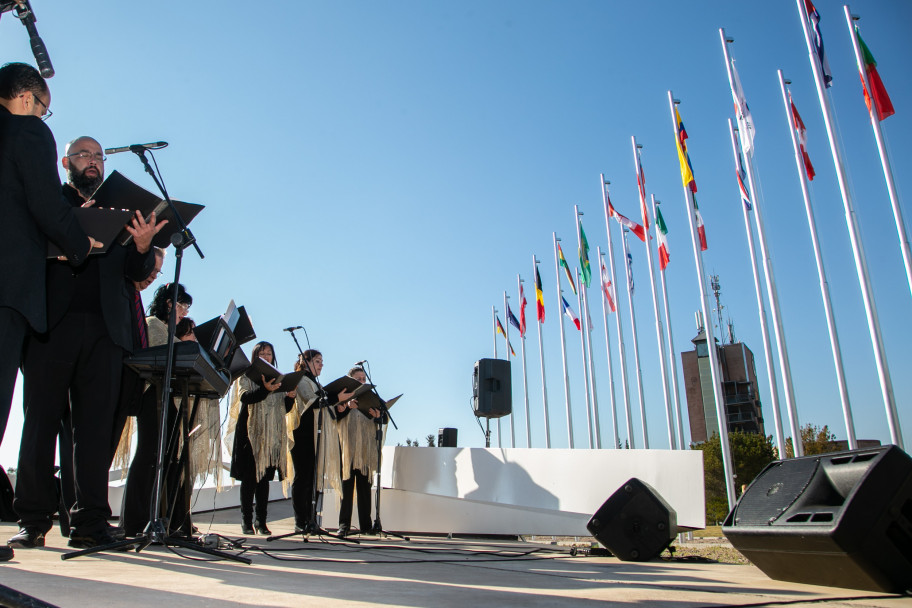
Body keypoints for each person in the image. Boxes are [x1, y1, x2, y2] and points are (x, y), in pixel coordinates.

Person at [9, 132, 164, 551]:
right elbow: (25, 247)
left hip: (106, 332)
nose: (93, 161)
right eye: (83, 155)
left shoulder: (121, 211)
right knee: (40, 425)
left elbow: (135, 271)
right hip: (51, 327)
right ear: (66, 164)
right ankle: (32, 520)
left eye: (98, 155)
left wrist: (144, 246)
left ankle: (90, 523)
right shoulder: (48, 200)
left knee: (95, 432)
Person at [0, 62, 98, 455]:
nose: (43, 115)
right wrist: (81, 245)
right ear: (27, 99)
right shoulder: (30, 132)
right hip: (7, 288)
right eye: (43, 107)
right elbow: (45, 203)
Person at [120, 282, 192, 536]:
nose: (185, 311)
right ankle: (134, 521)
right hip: (153, 398)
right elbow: (162, 355)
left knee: (168, 460)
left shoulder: (170, 330)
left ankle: (164, 519)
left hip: (170, 398)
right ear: (170, 303)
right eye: (183, 305)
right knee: (149, 456)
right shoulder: (153, 324)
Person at [227, 342, 296, 535]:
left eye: (269, 354)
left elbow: (284, 409)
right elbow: (246, 398)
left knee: (264, 480)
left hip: (271, 435)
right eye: (262, 353)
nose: (266, 357)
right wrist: (265, 388)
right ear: (255, 356)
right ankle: (246, 521)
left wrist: (290, 397)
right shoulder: (247, 374)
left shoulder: (279, 377)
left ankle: (261, 521)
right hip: (250, 433)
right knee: (249, 479)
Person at [290, 350, 353, 532]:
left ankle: (311, 519)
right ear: (305, 362)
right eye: (317, 361)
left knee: (313, 478)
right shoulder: (300, 379)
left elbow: (325, 406)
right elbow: (311, 401)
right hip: (302, 435)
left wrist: (339, 405)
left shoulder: (316, 382)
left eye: (322, 361)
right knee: (303, 478)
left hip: (316, 435)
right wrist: (335, 398)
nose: (321, 365)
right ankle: (300, 521)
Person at [335, 366, 385, 537]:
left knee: (365, 490)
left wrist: (378, 415)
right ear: (351, 380)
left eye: (364, 379)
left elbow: (384, 416)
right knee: (346, 490)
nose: (362, 382)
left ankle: (366, 526)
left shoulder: (371, 397)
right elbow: (334, 416)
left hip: (365, 450)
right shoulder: (343, 398)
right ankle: (343, 526)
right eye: (358, 379)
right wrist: (347, 407)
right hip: (347, 450)